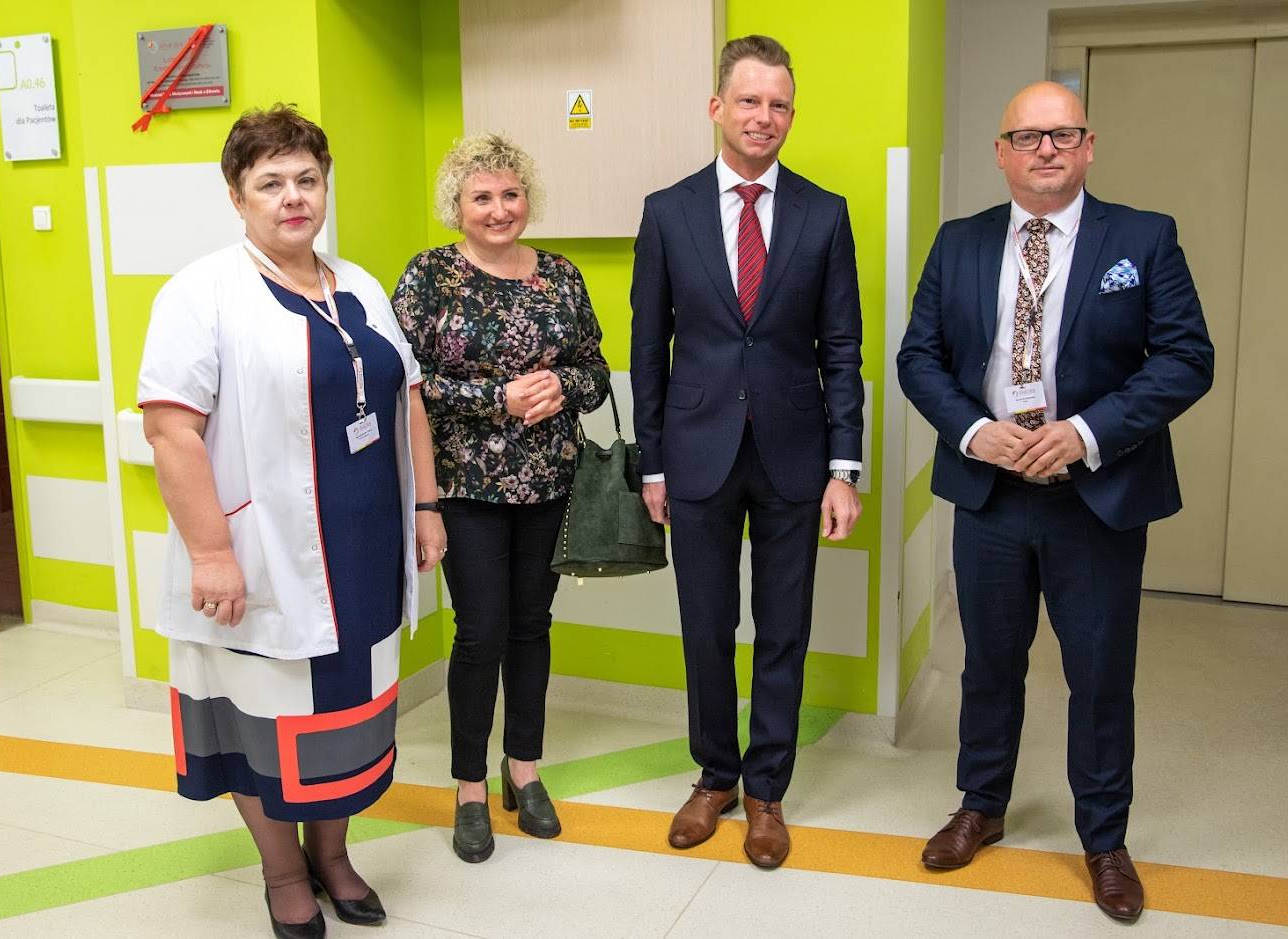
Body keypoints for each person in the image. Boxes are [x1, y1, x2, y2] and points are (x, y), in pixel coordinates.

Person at [896, 81, 1214, 922]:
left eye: (1063, 134)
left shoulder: (1142, 238)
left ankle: (1104, 839)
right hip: (991, 495)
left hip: (1096, 499)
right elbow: (919, 357)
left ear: (1088, 146)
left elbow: (1187, 358)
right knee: (989, 663)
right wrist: (974, 431)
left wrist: (1085, 431)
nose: (1046, 149)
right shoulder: (960, 242)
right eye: (1028, 136)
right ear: (1001, 152)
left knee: (1100, 674)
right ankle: (981, 805)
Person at [139, 104, 446, 938]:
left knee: (346, 720)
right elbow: (171, 431)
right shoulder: (201, 293)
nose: (293, 196)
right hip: (258, 555)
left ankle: (334, 855)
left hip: (363, 553)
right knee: (264, 724)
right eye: (270, 182)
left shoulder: (362, 285)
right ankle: (284, 873)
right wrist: (212, 552)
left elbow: (410, 399)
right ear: (237, 196)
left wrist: (425, 504)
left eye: (307, 178)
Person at [629, 35, 863, 871]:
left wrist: (845, 468)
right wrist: (652, 462)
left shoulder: (824, 213)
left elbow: (843, 349)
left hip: (796, 453)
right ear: (718, 107)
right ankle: (714, 775)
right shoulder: (669, 211)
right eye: (750, 100)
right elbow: (647, 348)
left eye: (779, 104)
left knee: (784, 628)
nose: (765, 116)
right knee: (705, 625)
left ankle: (767, 789)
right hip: (696, 454)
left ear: (791, 115)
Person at [392, 133, 609, 864]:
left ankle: (524, 770)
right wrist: (497, 398)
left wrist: (563, 386)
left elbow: (595, 371)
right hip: (463, 486)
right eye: (481, 196)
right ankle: (469, 787)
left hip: (549, 481)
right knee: (480, 632)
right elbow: (405, 381)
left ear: (527, 200)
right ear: (456, 206)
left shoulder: (561, 276)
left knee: (531, 626)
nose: (498, 208)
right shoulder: (429, 276)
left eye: (510, 194)